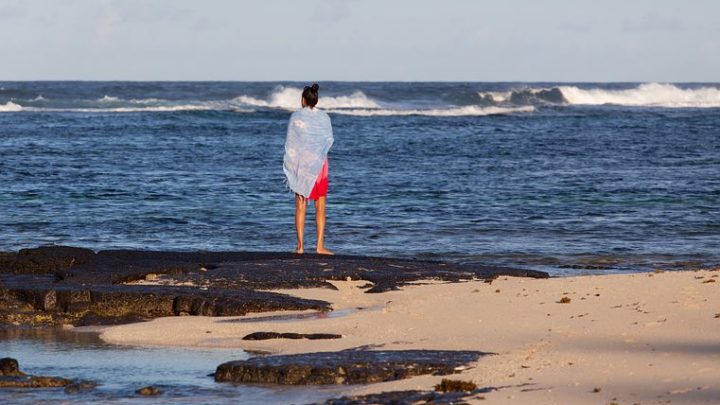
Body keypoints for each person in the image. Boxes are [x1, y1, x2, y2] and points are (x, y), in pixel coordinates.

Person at [283, 84, 334, 255]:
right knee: (320, 205)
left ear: (303, 100)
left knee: (300, 205)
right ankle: (319, 246)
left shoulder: (296, 117)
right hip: (320, 164)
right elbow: (328, 140)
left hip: (302, 163)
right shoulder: (324, 118)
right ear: (316, 100)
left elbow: (291, 143)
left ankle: (300, 247)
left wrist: (290, 163)